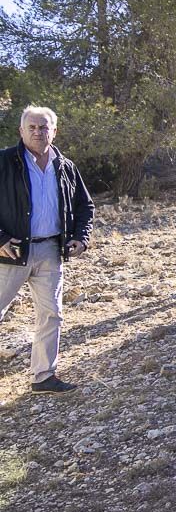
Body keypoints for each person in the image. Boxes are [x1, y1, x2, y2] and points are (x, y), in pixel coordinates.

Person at [0, 105, 93, 394]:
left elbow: (84, 206)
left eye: (44, 127)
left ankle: (43, 376)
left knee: (51, 315)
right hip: (10, 253)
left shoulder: (65, 166)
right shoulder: (4, 161)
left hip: (51, 252)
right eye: (33, 127)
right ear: (22, 131)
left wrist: (81, 237)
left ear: (55, 131)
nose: (38, 132)